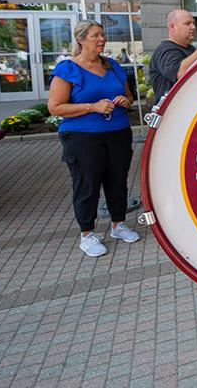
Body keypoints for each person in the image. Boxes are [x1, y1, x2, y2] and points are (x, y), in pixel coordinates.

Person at [48, 20, 139, 257]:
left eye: (102, 35)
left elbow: (129, 96)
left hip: (118, 133)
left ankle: (118, 225)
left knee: (117, 180)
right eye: (95, 36)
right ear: (81, 39)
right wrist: (92, 107)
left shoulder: (114, 66)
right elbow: (55, 107)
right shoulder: (69, 69)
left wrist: (125, 101)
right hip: (82, 138)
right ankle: (87, 234)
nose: (102, 39)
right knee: (87, 184)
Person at [149, 9, 197, 101]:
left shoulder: (190, 49)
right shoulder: (165, 50)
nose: (193, 27)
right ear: (172, 27)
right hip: (173, 112)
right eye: (187, 23)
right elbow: (180, 73)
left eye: (193, 23)